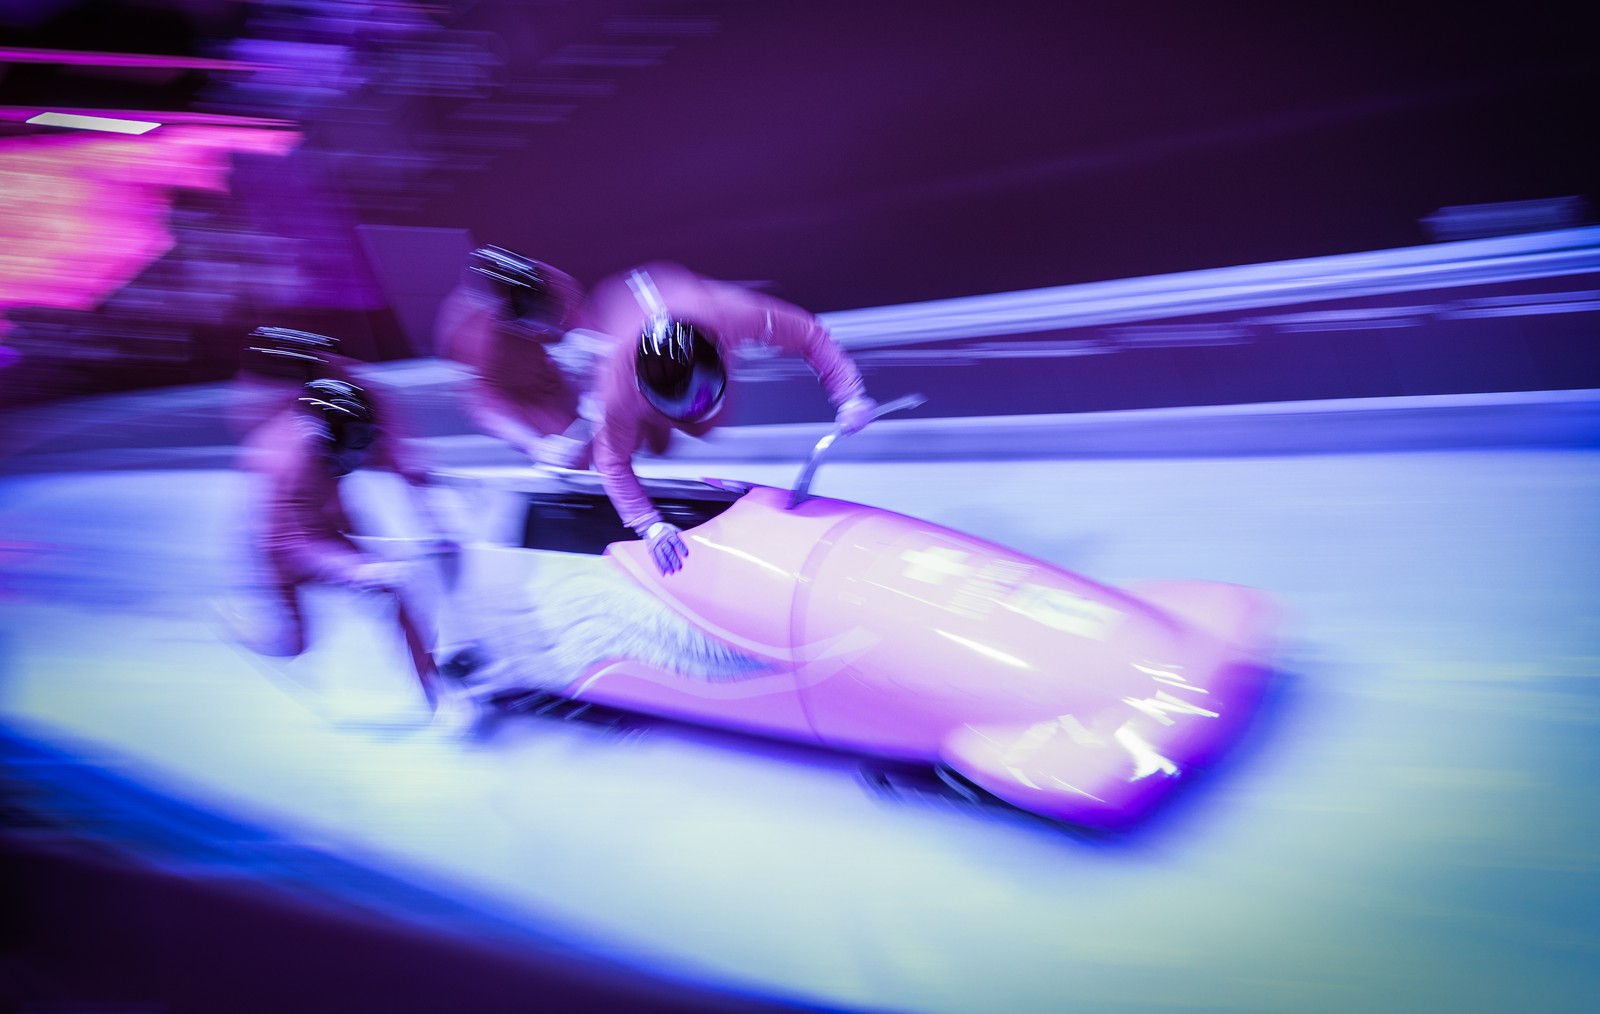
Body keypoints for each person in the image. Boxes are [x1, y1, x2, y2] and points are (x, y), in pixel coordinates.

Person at [583, 262, 877, 575]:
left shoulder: (731, 313)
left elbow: (809, 334)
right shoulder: (616, 388)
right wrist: (648, 525)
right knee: (651, 443)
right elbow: (612, 462)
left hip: (696, 302)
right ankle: (627, 420)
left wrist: (849, 395)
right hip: (618, 331)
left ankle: (663, 418)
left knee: (702, 428)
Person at [231, 374, 453, 707]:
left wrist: (431, 517)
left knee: (396, 589)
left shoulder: (333, 438)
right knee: (296, 644)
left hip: (318, 530)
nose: (364, 452)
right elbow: (289, 544)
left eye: (367, 437)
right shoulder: (290, 462)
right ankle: (249, 634)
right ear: (327, 437)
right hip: (283, 548)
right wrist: (355, 569)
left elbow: (391, 467)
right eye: (357, 440)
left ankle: (434, 687)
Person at [434, 245, 596, 468]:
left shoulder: (561, 289)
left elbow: (594, 352)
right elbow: (483, 402)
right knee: (564, 454)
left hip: (553, 380)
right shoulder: (465, 327)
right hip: (517, 396)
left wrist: (593, 393)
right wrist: (534, 444)